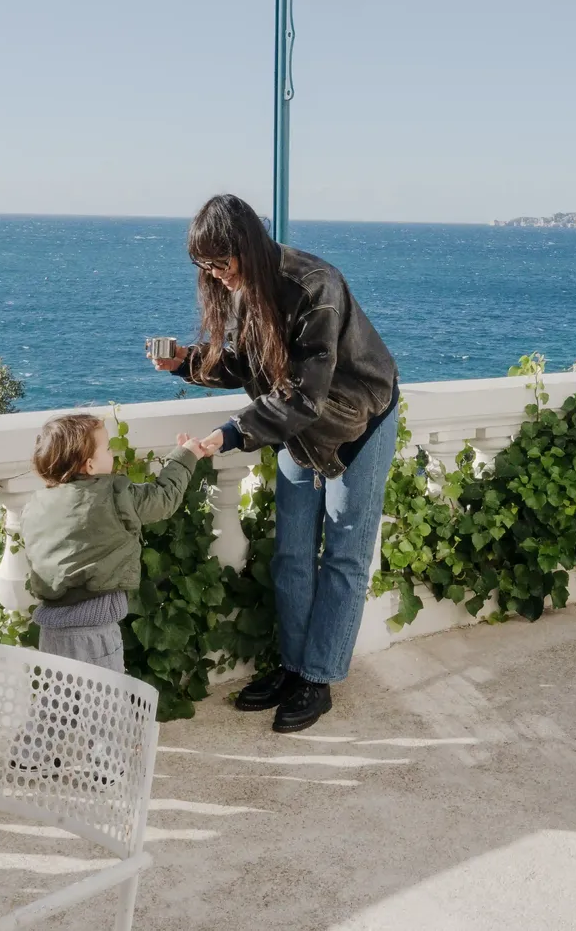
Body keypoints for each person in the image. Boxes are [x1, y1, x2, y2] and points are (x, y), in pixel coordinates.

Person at [148, 193, 399, 732]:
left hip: (356, 421)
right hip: (294, 423)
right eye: (204, 266)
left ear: (248, 246)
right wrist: (186, 363)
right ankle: (293, 669)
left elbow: (305, 395)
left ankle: (318, 678)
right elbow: (248, 366)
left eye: (221, 262)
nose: (215, 275)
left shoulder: (315, 285)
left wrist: (231, 433)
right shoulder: (241, 287)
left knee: (344, 557)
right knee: (291, 554)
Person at [21, 412, 216, 672]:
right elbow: (163, 498)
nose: (112, 453)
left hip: (52, 632)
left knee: (59, 697)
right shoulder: (114, 496)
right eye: (107, 448)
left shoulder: (36, 504)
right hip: (95, 635)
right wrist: (185, 455)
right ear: (90, 465)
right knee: (103, 697)